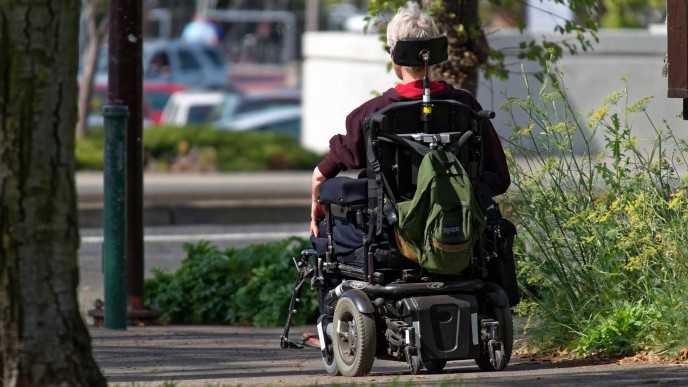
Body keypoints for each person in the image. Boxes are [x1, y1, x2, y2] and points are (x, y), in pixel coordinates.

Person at [309, 1, 510, 238]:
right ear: (435, 52)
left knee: (325, 233)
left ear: (394, 53)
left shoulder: (372, 113)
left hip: (387, 235)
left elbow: (320, 176)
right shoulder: (466, 107)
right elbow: (500, 177)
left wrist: (316, 207)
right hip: (458, 233)